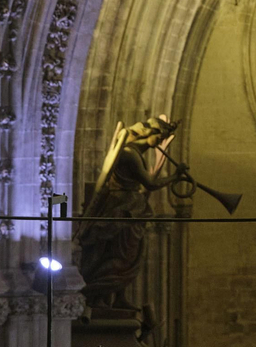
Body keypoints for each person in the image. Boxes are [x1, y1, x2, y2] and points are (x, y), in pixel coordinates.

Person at [78, 116, 184, 313]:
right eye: (161, 137)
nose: (162, 142)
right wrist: (175, 177)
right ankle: (98, 295)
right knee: (119, 255)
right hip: (122, 208)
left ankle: (120, 296)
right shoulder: (129, 154)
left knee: (132, 255)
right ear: (150, 133)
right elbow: (150, 183)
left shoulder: (136, 153)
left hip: (132, 208)